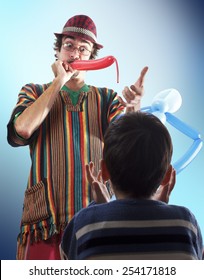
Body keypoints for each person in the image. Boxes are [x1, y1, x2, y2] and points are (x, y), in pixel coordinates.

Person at [7, 15, 148, 260]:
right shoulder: (33, 91)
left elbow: (129, 142)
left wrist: (134, 106)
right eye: (69, 45)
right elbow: (22, 130)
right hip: (44, 221)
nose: (74, 54)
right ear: (59, 51)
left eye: (83, 49)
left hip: (95, 219)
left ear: (91, 58)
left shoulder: (107, 99)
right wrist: (59, 81)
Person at [60, 111, 204, 260]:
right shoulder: (186, 224)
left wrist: (98, 206)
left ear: (104, 171)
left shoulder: (83, 224)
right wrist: (158, 208)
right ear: (167, 176)